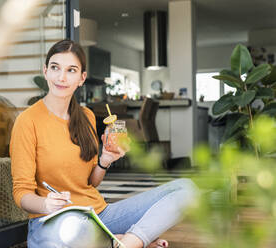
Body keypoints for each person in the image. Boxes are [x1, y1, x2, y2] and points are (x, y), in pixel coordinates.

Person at [10, 39, 198, 248]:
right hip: (55, 222)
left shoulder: (86, 116)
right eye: (55, 68)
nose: (61, 77)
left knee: (187, 189)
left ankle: (128, 243)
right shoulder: (27, 121)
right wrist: (45, 203)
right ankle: (124, 240)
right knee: (73, 234)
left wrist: (105, 160)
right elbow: (21, 193)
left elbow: (90, 182)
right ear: (46, 71)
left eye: (71, 70)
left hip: (98, 214)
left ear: (81, 78)